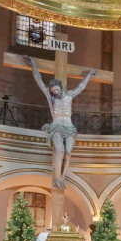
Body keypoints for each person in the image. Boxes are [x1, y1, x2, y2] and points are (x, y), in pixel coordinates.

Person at [23, 55, 97, 189]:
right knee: (60, 150)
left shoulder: (69, 95)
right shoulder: (50, 96)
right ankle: (57, 178)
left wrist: (89, 75)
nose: (55, 93)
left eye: (56, 90)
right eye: (53, 91)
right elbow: (39, 80)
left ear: (61, 87)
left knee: (68, 152)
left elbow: (81, 86)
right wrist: (33, 64)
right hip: (56, 126)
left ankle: (62, 177)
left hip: (69, 127)